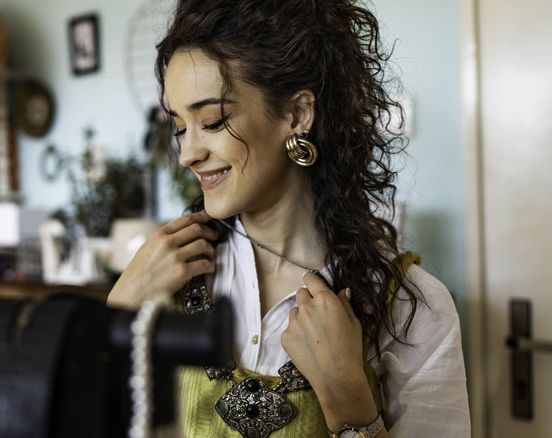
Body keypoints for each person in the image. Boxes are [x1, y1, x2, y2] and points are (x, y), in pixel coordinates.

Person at [107, 0, 470, 436]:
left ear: (297, 115)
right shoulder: (165, 277)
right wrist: (114, 316)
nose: (187, 154)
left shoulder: (412, 309)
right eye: (181, 127)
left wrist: (349, 402)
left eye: (214, 121)